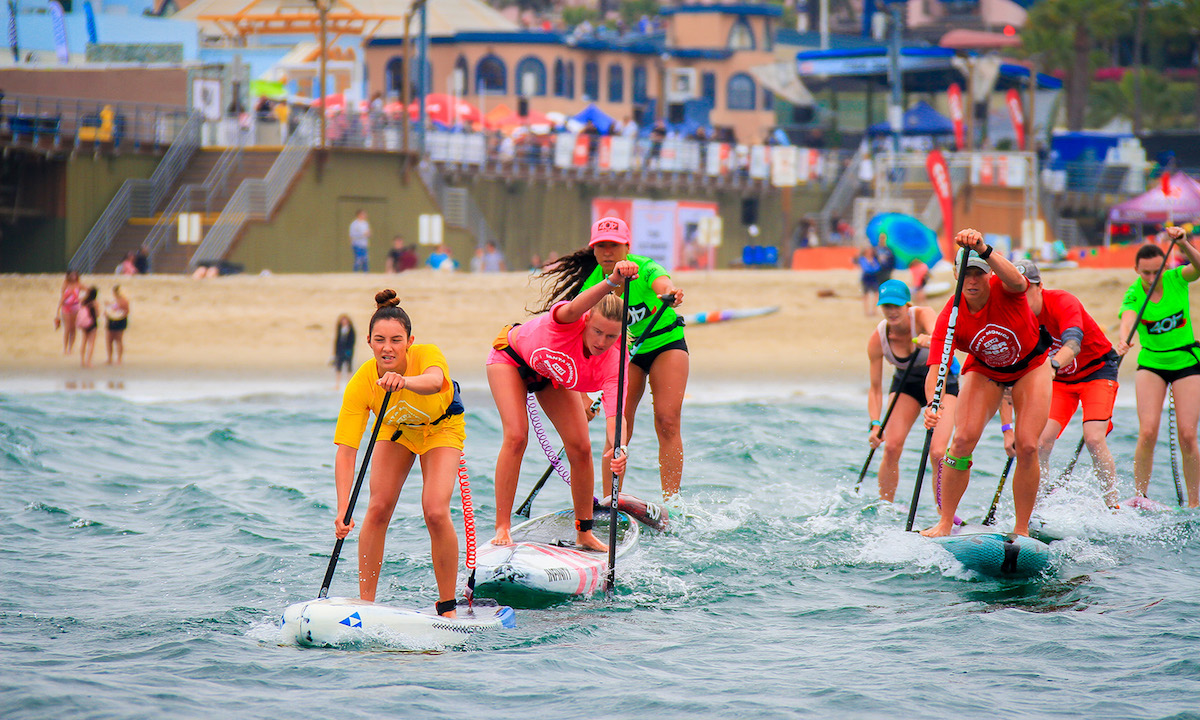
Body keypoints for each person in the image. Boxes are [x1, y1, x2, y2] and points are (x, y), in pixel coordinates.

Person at [486, 258, 639, 550]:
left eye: (611, 336)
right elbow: (576, 305)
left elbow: (615, 414)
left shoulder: (616, 361)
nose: (602, 341)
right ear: (587, 321)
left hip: (550, 378)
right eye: (597, 331)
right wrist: (611, 282)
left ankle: (584, 531)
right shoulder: (568, 320)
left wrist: (620, 447)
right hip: (510, 358)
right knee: (517, 436)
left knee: (581, 447)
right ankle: (502, 526)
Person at [332, 290, 466, 616]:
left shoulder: (428, 354)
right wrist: (342, 508)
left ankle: (447, 606)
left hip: (441, 428)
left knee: (434, 510)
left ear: (409, 341)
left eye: (396, 340)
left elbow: (436, 382)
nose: (387, 347)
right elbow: (347, 450)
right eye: (380, 340)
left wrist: (403, 382)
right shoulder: (361, 382)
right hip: (398, 432)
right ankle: (366, 603)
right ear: (368, 342)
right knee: (376, 508)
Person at [536, 217, 687, 499]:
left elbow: (662, 284)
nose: (607, 252)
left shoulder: (644, 267)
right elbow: (575, 343)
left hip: (665, 342)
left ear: (626, 246)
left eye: (614, 245)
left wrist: (671, 294)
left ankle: (672, 502)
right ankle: (610, 500)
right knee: (617, 426)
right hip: (624, 355)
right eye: (601, 246)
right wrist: (580, 396)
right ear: (593, 250)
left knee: (667, 420)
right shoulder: (592, 287)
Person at [921, 229, 1053, 538]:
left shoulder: (1005, 287)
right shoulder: (949, 317)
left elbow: (1019, 281)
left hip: (1030, 366)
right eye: (965, 273)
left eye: (978, 273)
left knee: (1028, 445)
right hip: (986, 370)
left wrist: (984, 248)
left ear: (988, 273)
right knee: (961, 441)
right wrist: (933, 404)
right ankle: (945, 523)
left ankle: (1021, 530)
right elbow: (936, 369)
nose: (972, 280)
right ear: (955, 274)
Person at [1014, 259, 1121, 507]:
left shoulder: (1063, 301)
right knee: (1040, 442)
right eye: (1014, 290)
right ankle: (1037, 508)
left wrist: (1051, 366)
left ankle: (1113, 506)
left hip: (1097, 371)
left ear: (1039, 286)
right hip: (1062, 381)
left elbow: (1073, 343)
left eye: (1025, 288)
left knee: (1093, 438)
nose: (1020, 296)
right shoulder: (1018, 316)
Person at [1116, 227, 1200, 507]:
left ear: (1165, 266)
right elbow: (1127, 319)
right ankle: (1140, 497)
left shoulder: (1177, 278)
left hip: (1186, 362)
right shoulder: (1133, 292)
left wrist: (1184, 244)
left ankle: (1194, 504)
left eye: (1156, 272)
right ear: (1136, 270)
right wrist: (1123, 339)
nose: (1151, 278)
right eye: (1145, 273)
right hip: (1151, 363)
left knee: (1188, 436)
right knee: (1148, 432)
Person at [866, 279, 959, 502]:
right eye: (887, 306)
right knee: (891, 447)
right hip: (905, 385)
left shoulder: (922, 314)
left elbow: (944, 336)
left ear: (907, 304)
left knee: (937, 453)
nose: (892, 311)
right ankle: (885, 507)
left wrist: (932, 339)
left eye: (897, 305)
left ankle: (943, 514)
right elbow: (875, 388)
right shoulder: (878, 339)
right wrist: (875, 424)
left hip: (941, 382)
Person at [55, 270, 85, 355]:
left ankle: (70, 348)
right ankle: (65, 348)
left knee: (73, 328)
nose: (73, 277)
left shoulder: (78, 284)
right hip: (66, 306)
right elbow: (62, 297)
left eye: (75, 275)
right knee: (67, 328)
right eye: (72, 275)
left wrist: (81, 299)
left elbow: (89, 290)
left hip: (75, 306)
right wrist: (58, 309)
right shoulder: (65, 284)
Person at [104, 285, 130, 365]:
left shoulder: (124, 301)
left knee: (118, 339)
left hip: (120, 320)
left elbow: (126, 311)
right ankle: (109, 358)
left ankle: (119, 358)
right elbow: (107, 310)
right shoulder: (112, 300)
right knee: (109, 340)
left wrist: (119, 312)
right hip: (111, 320)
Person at [855, 245, 882, 316]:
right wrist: (872, 267)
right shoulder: (862, 259)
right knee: (866, 295)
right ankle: (866, 311)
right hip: (867, 278)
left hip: (873, 277)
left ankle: (874, 310)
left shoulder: (874, 259)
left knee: (876, 294)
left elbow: (878, 268)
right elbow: (866, 269)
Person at [77, 286, 100, 368]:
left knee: (84, 342)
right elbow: (97, 314)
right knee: (91, 343)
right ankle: (88, 362)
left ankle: (82, 361)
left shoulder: (83, 301)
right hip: (92, 323)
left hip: (84, 323)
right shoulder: (94, 302)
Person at [333, 314, 356, 383]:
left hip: (348, 351)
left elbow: (352, 341)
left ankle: (349, 383)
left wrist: (350, 350)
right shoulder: (340, 329)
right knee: (338, 367)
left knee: (349, 367)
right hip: (340, 351)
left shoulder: (351, 330)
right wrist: (336, 351)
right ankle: (337, 383)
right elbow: (337, 340)